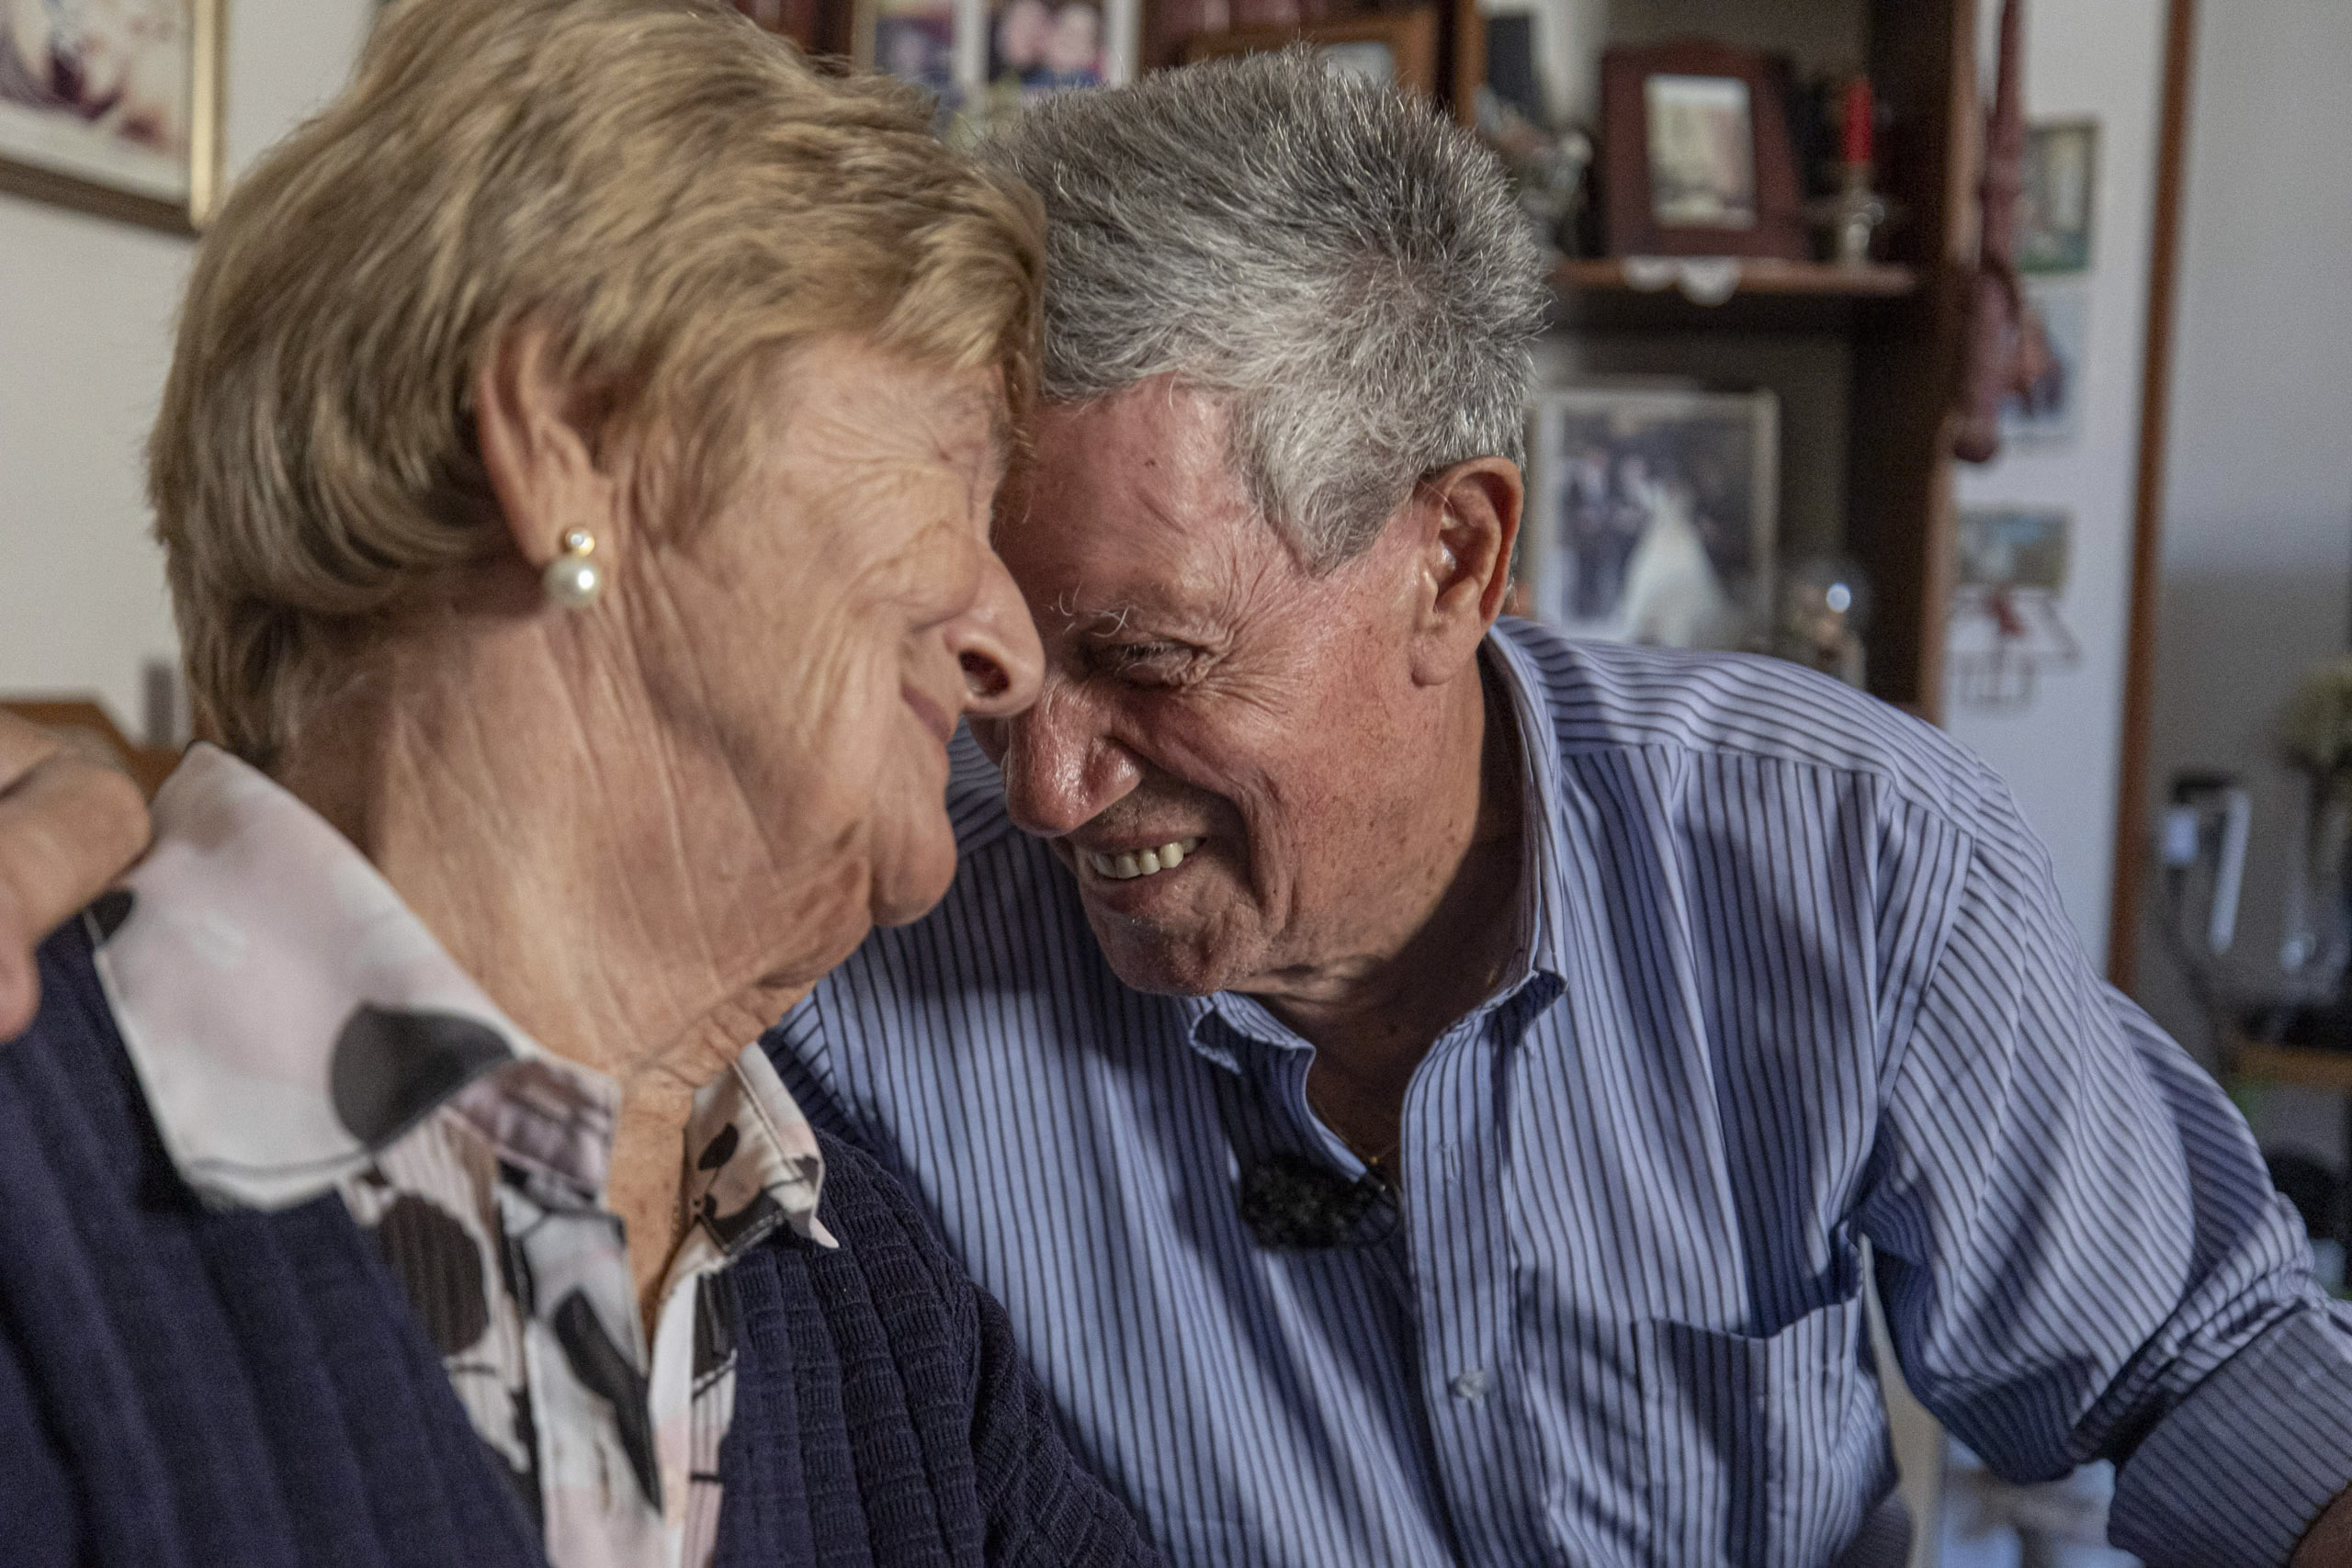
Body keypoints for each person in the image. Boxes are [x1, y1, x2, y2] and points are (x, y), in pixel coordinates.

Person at [8, 48, 2352, 1568]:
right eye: (968, 583)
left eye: (1141, 659)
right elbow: (415, 877)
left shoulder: (1835, 861)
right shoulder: (847, 970)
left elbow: (2207, 1373)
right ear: (568, 461)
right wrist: (115, 805)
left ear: (1450, 557)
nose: (1024, 751)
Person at [0, 1, 1161, 1563]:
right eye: (951, 471)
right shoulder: (39, 1168)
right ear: (565, 444)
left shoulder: (865, 1291)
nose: (1013, 651)